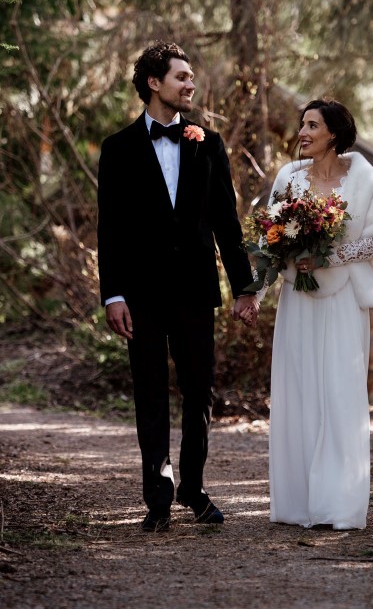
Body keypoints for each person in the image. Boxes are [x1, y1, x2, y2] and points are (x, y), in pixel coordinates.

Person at [97, 41, 260, 533]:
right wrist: (113, 294)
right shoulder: (117, 148)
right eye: (181, 77)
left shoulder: (207, 144)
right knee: (150, 395)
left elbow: (227, 225)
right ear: (154, 83)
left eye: (191, 77)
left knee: (199, 391)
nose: (191, 84)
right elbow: (111, 229)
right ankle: (158, 497)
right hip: (140, 295)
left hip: (194, 291)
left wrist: (244, 287)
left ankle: (193, 487)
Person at [265, 99, 373, 530]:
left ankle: (338, 503)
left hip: (343, 301)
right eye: (302, 124)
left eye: (312, 125)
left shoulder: (363, 178)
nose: (302, 132)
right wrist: (255, 293)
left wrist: (330, 257)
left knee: (340, 394)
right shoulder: (288, 177)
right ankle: (299, 503)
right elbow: (271, 241)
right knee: (298, 392)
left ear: (333, 134)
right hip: (297, 301)